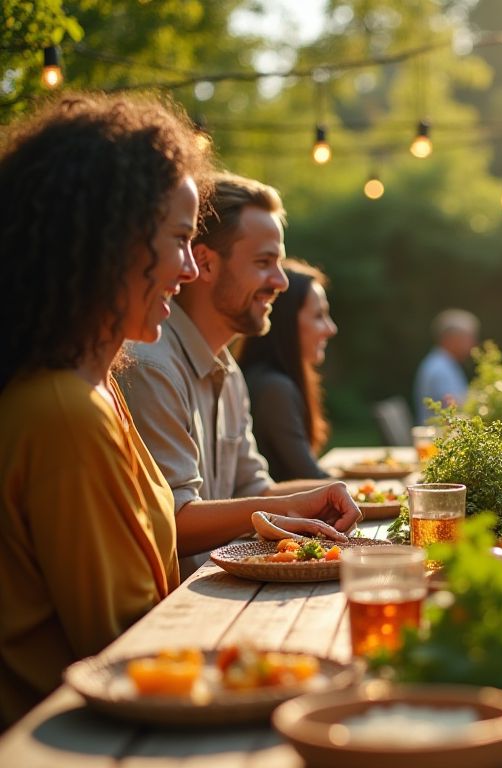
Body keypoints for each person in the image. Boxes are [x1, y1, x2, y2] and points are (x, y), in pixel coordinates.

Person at [0, 93, 210, 725]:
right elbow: (124, 650)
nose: (192, 269)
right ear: (108, 242)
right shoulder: (63, 410)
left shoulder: (93, 386)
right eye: (178, 240)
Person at [118, 173, 360, 577]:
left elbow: (255, 491)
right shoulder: (150, 365)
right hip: (176, 614)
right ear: (206, 263)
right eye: (264, 263)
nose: (281, 283)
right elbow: (171, 523)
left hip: (220, 596)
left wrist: (336, 495)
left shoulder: (227, 370)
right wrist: (290, 504)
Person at [237, 260, 338, 481]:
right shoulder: (274, 388)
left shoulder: (269, 379)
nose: (331, 329)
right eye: (319, 316)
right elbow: (313, 480)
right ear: (287, 322)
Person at [413, 308, 479, 424]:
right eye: (468, 338)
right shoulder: (440, 369)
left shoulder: (443, 363)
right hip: (438, 437)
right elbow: (453, 408)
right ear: (450, 339)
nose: (473, 344)